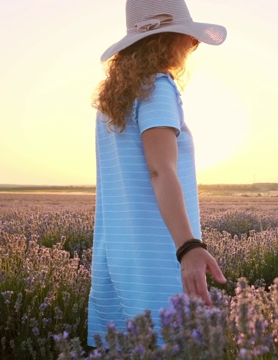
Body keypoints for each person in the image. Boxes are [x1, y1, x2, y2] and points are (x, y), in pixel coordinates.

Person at [87, 0, 227, 346]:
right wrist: (188, 246)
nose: (192, 47)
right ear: (171, 39)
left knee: (126, 346)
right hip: (159, 254)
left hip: (119, 255)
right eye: (190, 39)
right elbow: (161, 170)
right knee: (172, 343)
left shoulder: (113, 101)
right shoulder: (158, 87)